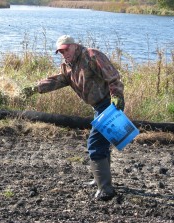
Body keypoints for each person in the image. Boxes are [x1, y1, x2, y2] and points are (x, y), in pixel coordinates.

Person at [21, 35, 124, 201]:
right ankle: (101, 180)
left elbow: (112, 76)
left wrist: (117, 95)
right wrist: (34, 89)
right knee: (102, 144)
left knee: (95, 144)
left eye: (66, 49)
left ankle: (106, 190)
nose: (64, 53)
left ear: (75, 46)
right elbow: (58, 80)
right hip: (98, 107)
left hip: (110, 104)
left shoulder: (91, 55)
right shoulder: (68, 66)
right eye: (60, 51)